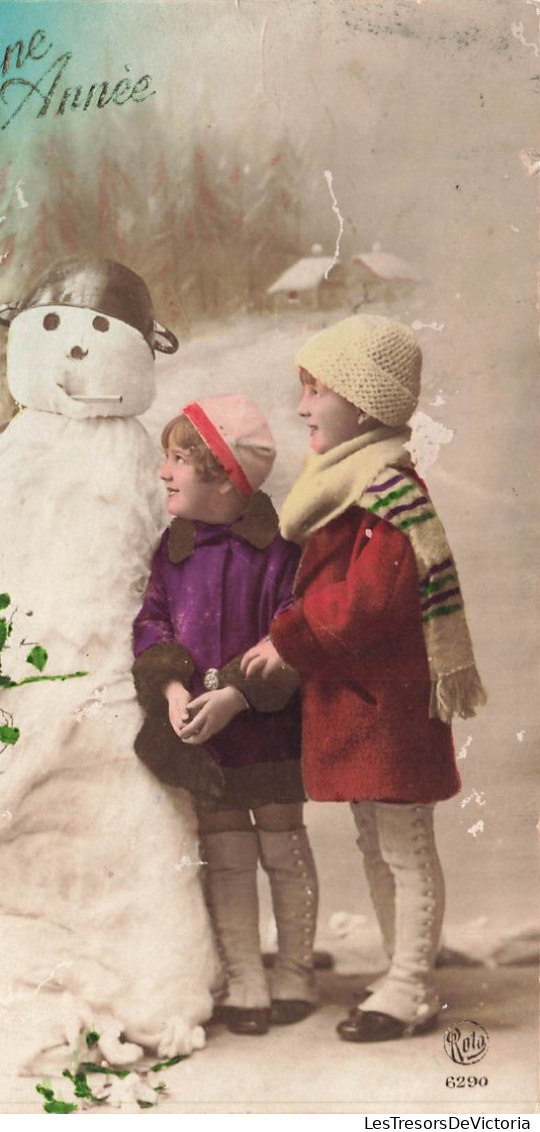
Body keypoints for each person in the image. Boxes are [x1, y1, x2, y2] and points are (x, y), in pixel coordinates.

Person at [242, 315, 486, 1042]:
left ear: (362, 402)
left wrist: (288, 640)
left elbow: (367, 603)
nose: (301, 406)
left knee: (402, 844)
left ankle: (409, 983)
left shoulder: (387, 492)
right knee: (380, 842)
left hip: (386, 705)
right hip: (359, 704)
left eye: (315, 390)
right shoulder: (351, 483)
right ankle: (397, 973)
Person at [132, 394, 319, 1037]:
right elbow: (152, 618)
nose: (164, 472)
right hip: (200, 733)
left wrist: (238, 693)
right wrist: (172, 691)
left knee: (282, 845)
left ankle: (296, 969)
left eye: (178, 459)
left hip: (264, 724)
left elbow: (295, 632)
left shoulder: (281, 549)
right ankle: (246, 977)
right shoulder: (174, 547)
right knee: (227, 854)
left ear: (221, 473)